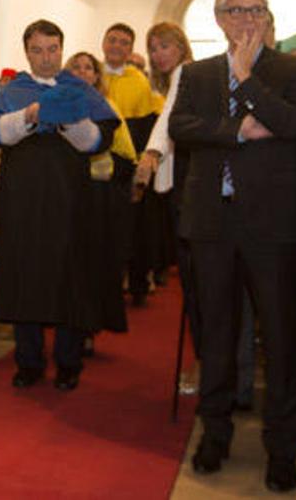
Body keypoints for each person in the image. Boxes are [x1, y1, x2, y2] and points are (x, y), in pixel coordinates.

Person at [169, 0, 296, 493]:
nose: (244, 18)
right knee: (216, 334)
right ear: (219, 20)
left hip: (275, 225)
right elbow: (182, 127)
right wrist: (236, 130)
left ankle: (283, 447)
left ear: (267, 16)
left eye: (254, 9)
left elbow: (292, 123)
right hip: (212, 222)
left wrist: (247, 78)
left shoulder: (294, 69)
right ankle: (215, 433)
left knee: (279, 337)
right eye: (234, 10)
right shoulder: (194, 73)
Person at [0, 20, 118, 392]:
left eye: (53, 49)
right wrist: (28, 116)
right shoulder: (14, 91)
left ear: (62, 49)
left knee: (68, 277)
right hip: (22, 200)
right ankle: (29, 362)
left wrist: (71, 122)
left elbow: (103, 138)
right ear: (26, 52)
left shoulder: (78, 89)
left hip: (70, 200)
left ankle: (69, 362)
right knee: (26, 275)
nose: (46, 57)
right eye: (38, 50)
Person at [134, 21, 198, 388]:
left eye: (165, 46)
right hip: (180, 182)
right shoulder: (177, 76)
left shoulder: (186, 73)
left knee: (196, 279)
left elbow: (170, 118)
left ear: (181, 46)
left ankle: (205, 361)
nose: (159, 54)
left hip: (188, 185)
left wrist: (151, 154)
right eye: (153, 47)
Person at [64, 51, 130, 339]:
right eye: (75, 68)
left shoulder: (106, 106)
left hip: (98, 195)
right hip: (66, 196)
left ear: (95, 75)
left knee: (93, 266)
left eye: (87, 68)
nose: (81, 72)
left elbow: (125, 154)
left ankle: (88, 327)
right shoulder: (59, 105)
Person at [100, 22, 162, 306]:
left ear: (131, 49)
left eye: (124, 42)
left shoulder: (139, 80)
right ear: (103, 43)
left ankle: (137, 283)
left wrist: (140, 167)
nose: (116, 46)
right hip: (97, 162)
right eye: (112, 40)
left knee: (134, 228)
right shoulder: (90, 74)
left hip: (128, 161)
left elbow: (146, 125)